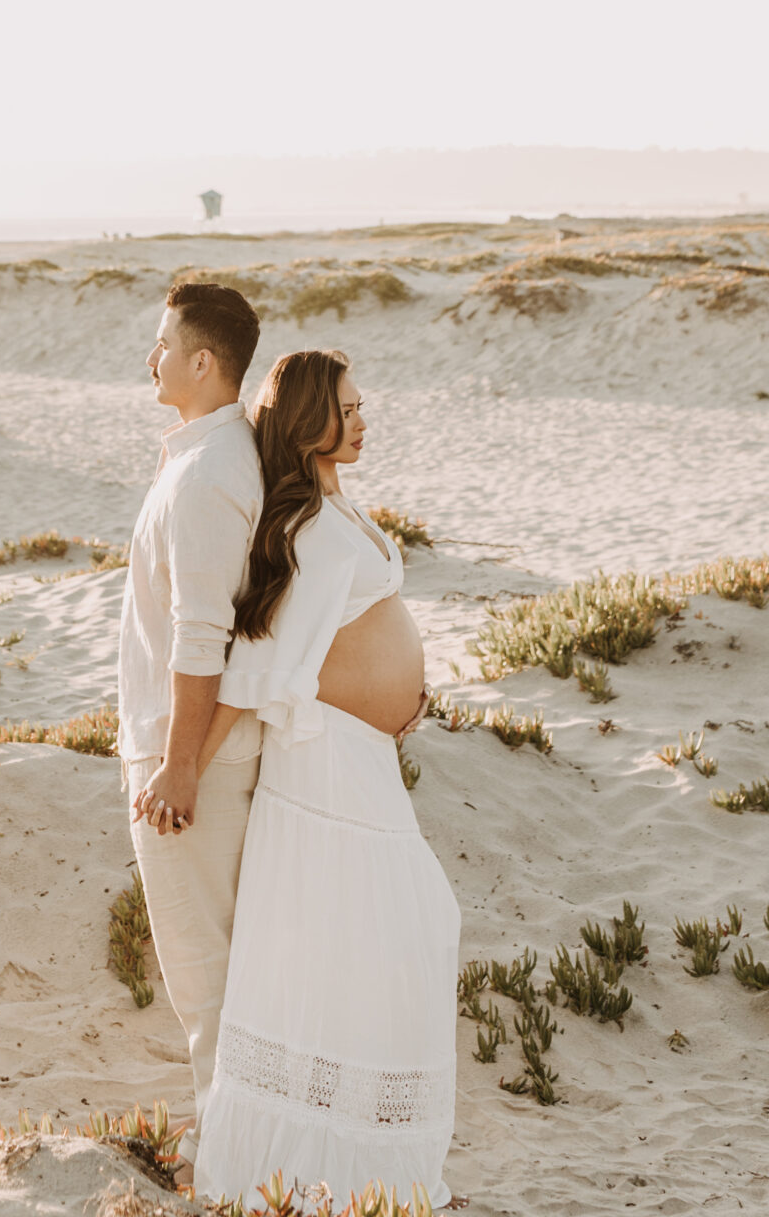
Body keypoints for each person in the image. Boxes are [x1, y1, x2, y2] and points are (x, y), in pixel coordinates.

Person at [187, 348, 459, 1209]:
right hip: (327, 771)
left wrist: (402, 695)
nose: (365, 416)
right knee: (369, 943)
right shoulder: (303, 526)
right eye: (349, 405)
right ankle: (311, 1171)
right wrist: (184, 771)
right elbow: (260, 665)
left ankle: (361, 1167)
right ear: (310, 421)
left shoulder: (333, 505)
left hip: (364, 756)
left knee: (382, 942)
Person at [117, 278, 265, 1187]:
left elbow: (202, 633)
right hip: (189, 754)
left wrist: (178, 766)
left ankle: (231, 1175)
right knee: (217, 978)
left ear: (203, 363)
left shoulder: (210, 474)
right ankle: (242, 1160)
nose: (152, 357)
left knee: (206, 984)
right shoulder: (208, 457)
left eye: (164, 344)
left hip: (189, 769)